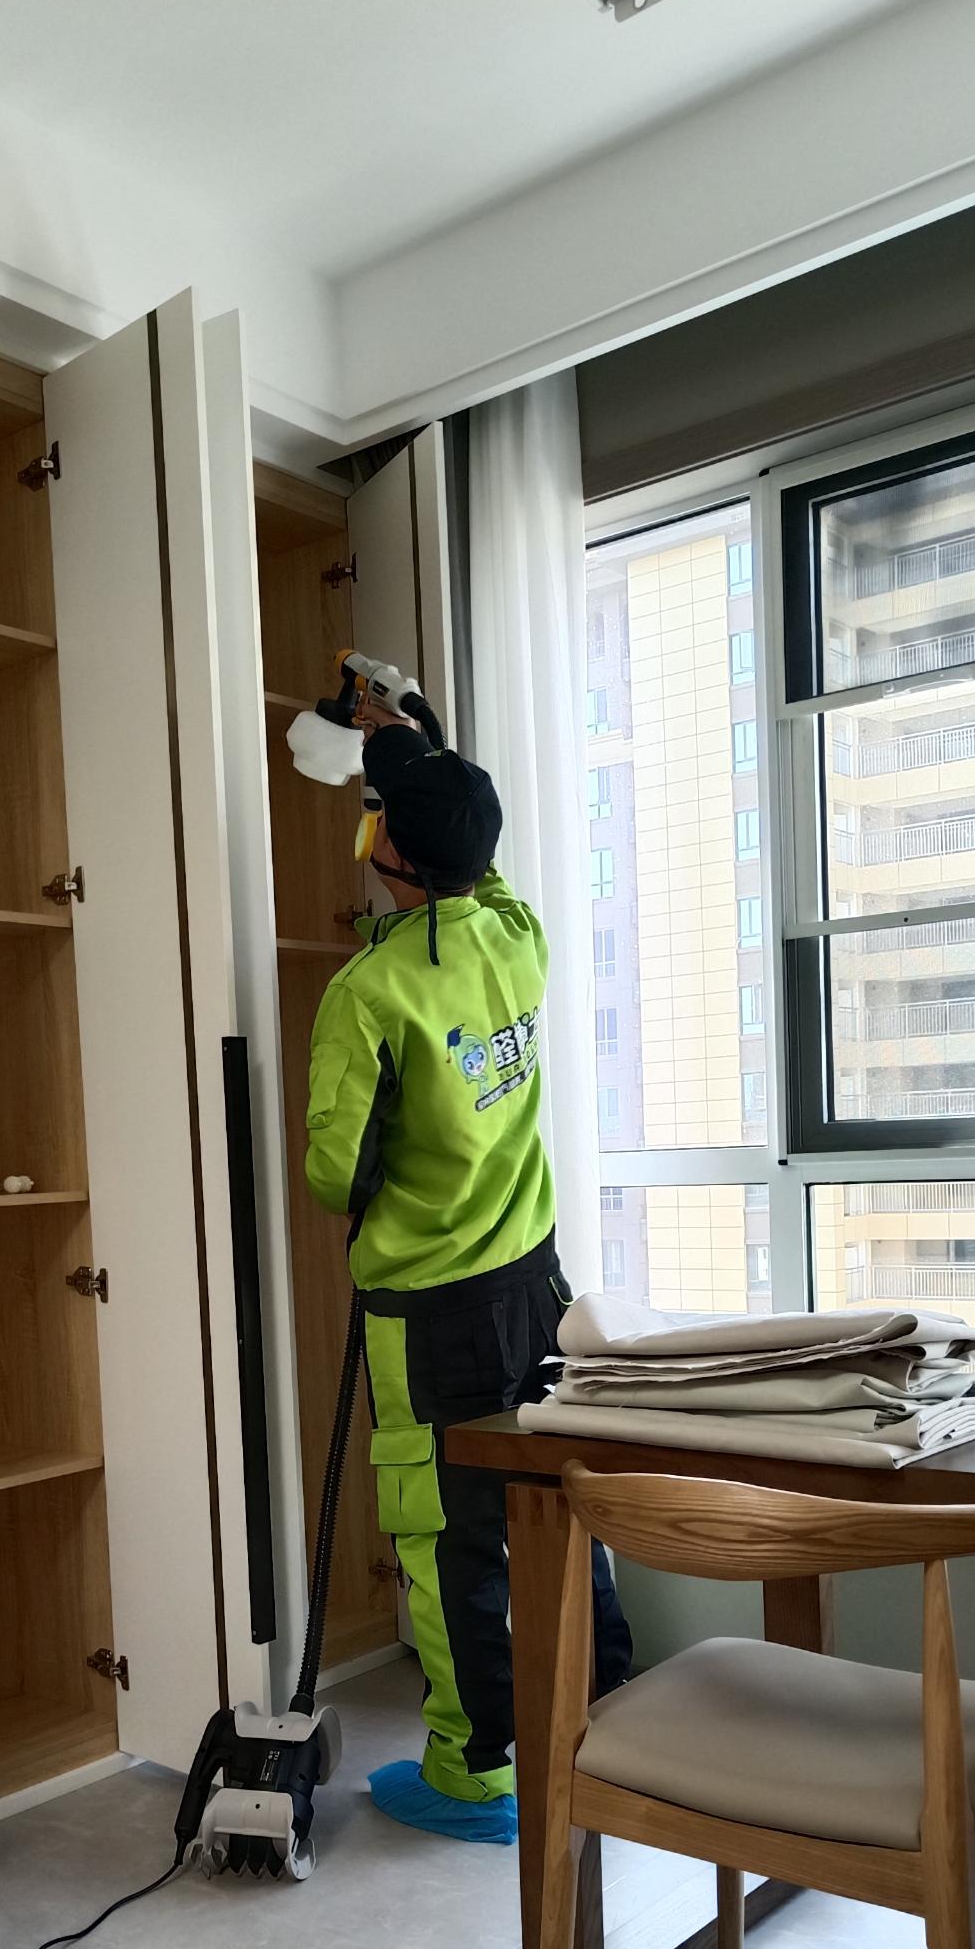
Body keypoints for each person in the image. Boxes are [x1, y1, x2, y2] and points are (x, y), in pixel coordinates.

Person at [302, 697, 633, 1843]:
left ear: (387, 846)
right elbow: (484, 877)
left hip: (428, 1311)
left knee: (447, 1536)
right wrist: (412, 745)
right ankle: (604, 1723)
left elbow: (334, 1175)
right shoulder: (518, 938)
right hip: (535, 1289)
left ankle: (475, 1769)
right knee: (559, 1505)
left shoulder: (367, 992)